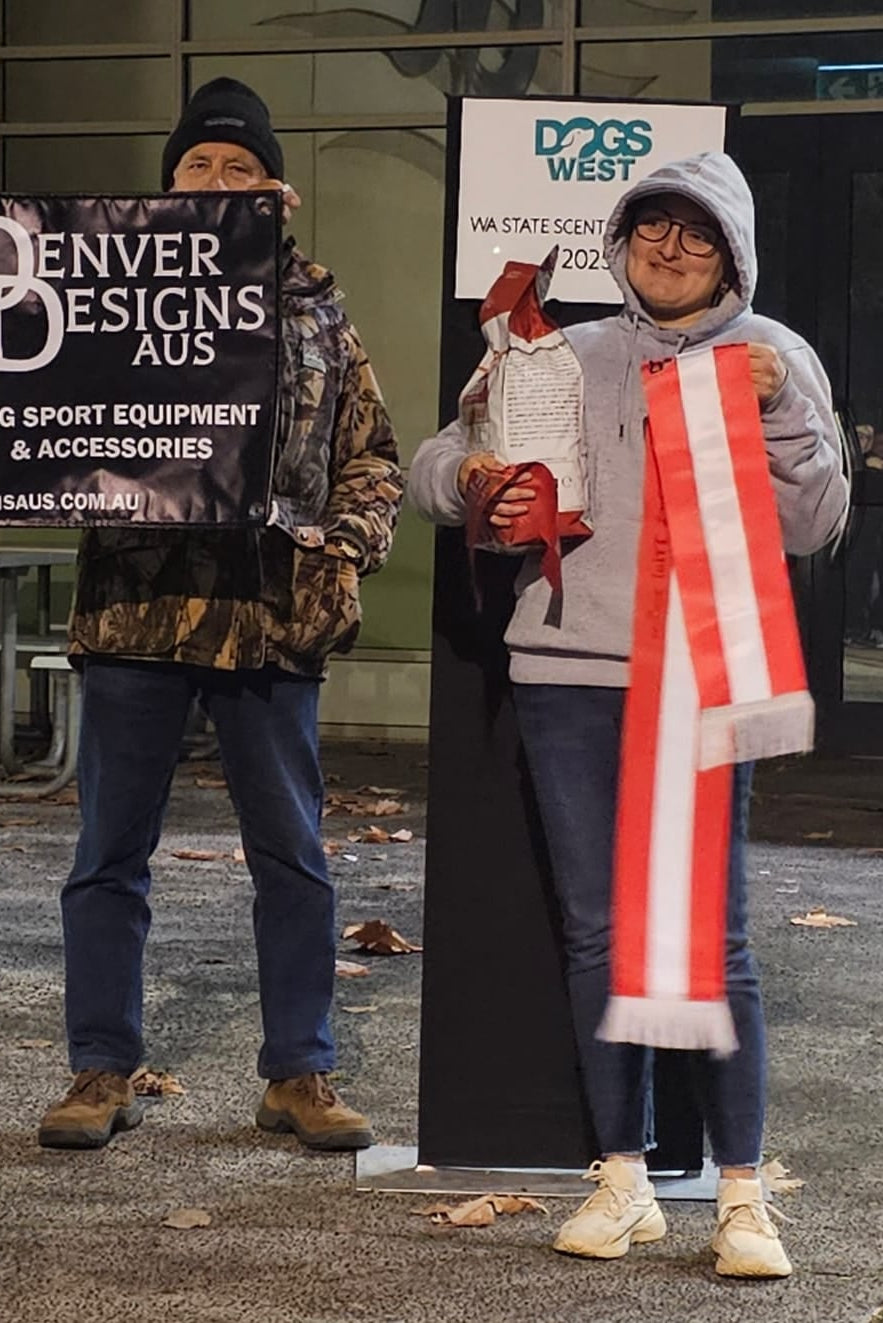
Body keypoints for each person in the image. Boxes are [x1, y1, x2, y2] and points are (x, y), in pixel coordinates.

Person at [409, 152, 847, 1278]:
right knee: (599, 929)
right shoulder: (562, 351)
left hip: (703, 675)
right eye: (650, 227)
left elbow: (818, 523)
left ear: (733, 254)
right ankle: (622, 1178)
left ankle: (744, 1199)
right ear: (621, 240)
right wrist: (469, 483)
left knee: (715, 938)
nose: (668, 249)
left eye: (695, 234)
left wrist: (784, 409)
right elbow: (443, 456)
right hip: (566, 672)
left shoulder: (774, 359)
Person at [38, 79, 401, 1152]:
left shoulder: (318, 314)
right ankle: (100, 1068)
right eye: (199, 167)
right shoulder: (100, 307)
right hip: (136, 617)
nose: (219, 182)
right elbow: (32, 427)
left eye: (241, 169)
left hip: (270, 618)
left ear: (276, 190)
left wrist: (343, 553)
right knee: (109, 854)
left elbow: (369, 456)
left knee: (293, 856)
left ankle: (300, 1072)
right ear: (164, 190)